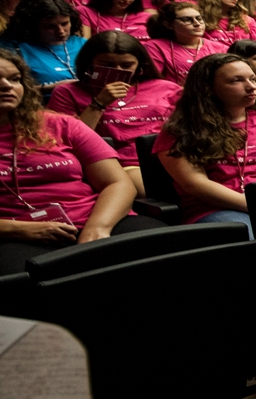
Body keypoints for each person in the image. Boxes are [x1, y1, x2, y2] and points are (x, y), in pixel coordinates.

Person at [0, 49, 160, 274]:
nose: (7, 86)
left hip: (99, 217)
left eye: (14, 79)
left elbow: (118, 183)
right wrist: (19, 230)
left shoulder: (60, 124)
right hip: (16, 233)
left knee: (165, 253)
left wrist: (96, 229)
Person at [156, 53, 256, 232]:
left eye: (252, 79)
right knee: (248, 233)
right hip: (216, 208)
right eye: (236, 81)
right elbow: (195, 184)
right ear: (208, 88)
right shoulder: (182, 129)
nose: (251, 87)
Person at [48, 31, 179, 195]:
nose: (117, 71)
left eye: (126, 66)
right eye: (107, 65)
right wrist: (99, 103)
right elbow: (67, 143)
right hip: (120, 163)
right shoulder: (68, 92)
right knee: (160, 190)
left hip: (173, 156)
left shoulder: (165, 87)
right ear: (90, 63)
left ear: (139, 65)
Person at [1, 0, 84, 92]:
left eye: (64, 24)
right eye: (50, 26)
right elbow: (7, 88)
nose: (61, 31)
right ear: (31, 26)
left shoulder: (83, 44)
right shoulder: (11, 47)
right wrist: (48, 88)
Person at [144, 1, 227, 85]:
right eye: (187, 19)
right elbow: (152, 82)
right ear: (169, 25)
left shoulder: (221, 48)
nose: (197, 24)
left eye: (199, 18)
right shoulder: (155, 47)